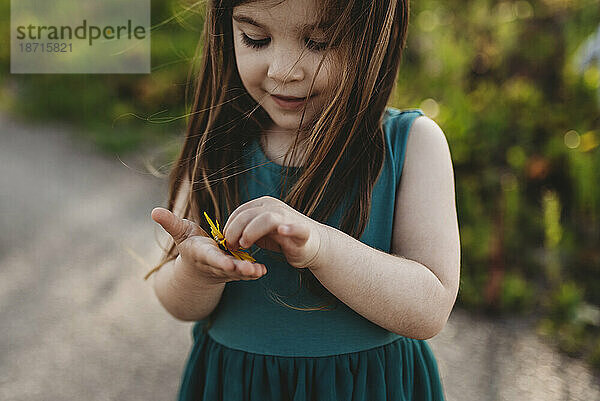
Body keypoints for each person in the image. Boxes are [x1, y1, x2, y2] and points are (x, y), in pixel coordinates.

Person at [147, 0, 460, 399]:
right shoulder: (218, 147)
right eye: (255, 39)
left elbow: (429, 311)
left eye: (318, 42)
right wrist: (197, 272)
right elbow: (177, 303)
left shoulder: (411, 144)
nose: (283, 70)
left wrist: (320, 246)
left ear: (376, 34)